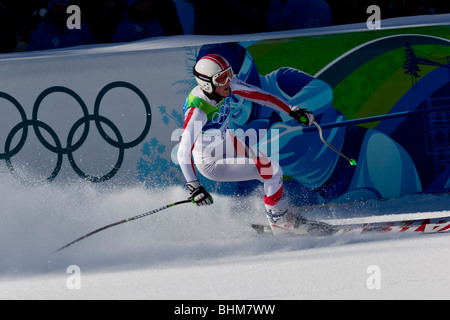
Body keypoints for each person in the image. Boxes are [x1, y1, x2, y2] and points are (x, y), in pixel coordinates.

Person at [177, 53, 316, 234]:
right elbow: (183, 151)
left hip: (227, 141)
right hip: (211, 162)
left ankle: (278, 216)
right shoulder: (199, 110)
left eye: (229, 74)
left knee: (271, 172)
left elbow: (263, 96)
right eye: (222, 78)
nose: (228, 81)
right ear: (207, 84)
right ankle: (279, 220)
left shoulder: (222, 85)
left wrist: (291, 110)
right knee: (272, 171)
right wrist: (194, 187)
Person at [27, 0, 95, 51]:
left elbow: (93, 51)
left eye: (65, 7)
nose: (61, 10)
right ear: (51, 11)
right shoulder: (39, 36)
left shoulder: (82, 31)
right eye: (57, 7)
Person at [266, 0, 332, 31]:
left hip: (297, 49)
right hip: (319, 49)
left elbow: (272, 24)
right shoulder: (324, 5)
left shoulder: (293, 4)